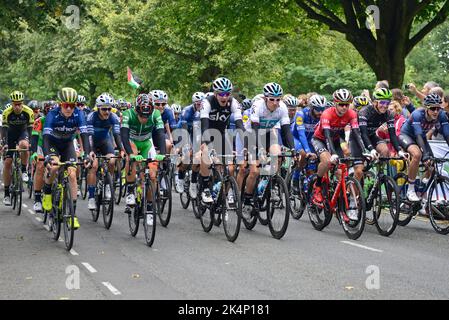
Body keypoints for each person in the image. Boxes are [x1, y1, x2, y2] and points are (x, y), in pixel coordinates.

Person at [310, 89, 367, 220]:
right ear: (335, 103)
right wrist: (334, 154)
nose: (344, 107)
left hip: (336, 140)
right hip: (321, 139)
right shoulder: (326, 113)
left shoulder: (352, 114)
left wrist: (365, 151)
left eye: (347, 104)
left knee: (342, 173)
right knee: (327, 161)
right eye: (341, 104)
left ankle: (340, 205)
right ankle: (317, 185)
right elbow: (327, 136)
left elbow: (357, 133)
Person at [42, 88, 94, 229]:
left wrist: (87, 154)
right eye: (66, 105)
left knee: (72, 173)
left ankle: (72, 215)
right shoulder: (52, 114)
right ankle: (47, 192)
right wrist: (47, 156)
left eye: (73, 105)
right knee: (54, 166)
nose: (70, 108)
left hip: (67, 144)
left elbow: (84, 134)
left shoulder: (79, 114)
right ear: (60, 104)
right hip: (53, 144)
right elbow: (45, 138)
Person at [242, 82, 295, 209]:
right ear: (265, 98)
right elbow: (254, 129)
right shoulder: (257, 106)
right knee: (254, 171)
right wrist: (259, 148)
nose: (275, 102)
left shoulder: (282, 107)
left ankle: (270, 183)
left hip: (268, 134)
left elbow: (286, 130)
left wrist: (293, 149)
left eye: (278, 99)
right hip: (251, 134)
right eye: (272, 99)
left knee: (278, 154)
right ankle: (247, 199)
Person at [198, 77, 244, 203]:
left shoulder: (233, 102)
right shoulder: (207, 102)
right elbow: (204, 125)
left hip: (221, 134)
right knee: (206, 155)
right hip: (206, 132)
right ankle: (205, 187)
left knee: (230, 167)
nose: (225, 97)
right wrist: (207, 145)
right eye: (221, 94)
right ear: (215, 94)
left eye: (227, 94)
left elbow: (240, 125)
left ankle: (222, 192)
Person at [121, 93, 166, 214]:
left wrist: (162, 153)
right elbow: (124, 136)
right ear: (136, 111)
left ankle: (150, 208)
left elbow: (161, 134)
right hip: (132, 141)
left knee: (152, 175)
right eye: (141, 116)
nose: (144, 119)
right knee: (132, 158)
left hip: (147, 142)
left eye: (147, 116)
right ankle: (130, 191)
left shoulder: (156, 114)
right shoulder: (128, 114)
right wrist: (130, 154)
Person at [399, 93, 449, 202]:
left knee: (433, 165)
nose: (436, 111)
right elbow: (418, 135)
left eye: (438, 108)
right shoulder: (417, 114)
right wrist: (425, 155)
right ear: (427, 108)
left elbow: (446, 134)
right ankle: (411, 189)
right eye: (432, 108)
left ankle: (422, 190)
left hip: (421, 138)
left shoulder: (441, 115)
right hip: (407, 136)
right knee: (417, 155)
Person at [86, 93, 123, 210]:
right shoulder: (91, 117)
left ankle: (108, 184)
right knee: (94, 166)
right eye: (104, 109)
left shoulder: (113, 117)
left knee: (112, 161)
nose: (107, 111)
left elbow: (117, 135)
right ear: (98, 108)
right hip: (92, 142)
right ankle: (91, 197)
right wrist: (91, 152)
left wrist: (122, 150)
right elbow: (90, 136)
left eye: (109, 109)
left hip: (105, 142)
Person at [1, 91, 34, 206]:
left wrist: (30, 143)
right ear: (12, 103)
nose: (17, 106)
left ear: (22, 103)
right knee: (7, 163)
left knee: (25, 145)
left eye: (19, 104)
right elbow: (4, 130)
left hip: (22, 133)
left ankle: (24, 170)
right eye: (15, 104)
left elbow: (30, 130)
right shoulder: (6, 112)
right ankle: (6, 194)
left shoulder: (28, 112)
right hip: (10, 135)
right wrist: (4, 143)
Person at [358, 88, 405, 159]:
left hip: (371, 136)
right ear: (375, 102)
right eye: (382, 102)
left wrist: (399, 150)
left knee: (385, 151)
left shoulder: (389, 114)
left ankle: (380, 169)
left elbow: (392, 135)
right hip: (358, 137)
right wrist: (371, 149)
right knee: (359, 169)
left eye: (387, 103)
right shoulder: (364, 112)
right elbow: (363, 134)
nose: (385, 106)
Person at [30, 101, 58, 212]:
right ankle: (37, 199)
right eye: (48, 110)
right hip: (41, 146)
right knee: (40, 166)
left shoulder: (60, 120)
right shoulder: (39, 121)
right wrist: (34, 153)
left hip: (56, 146)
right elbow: (34, 138)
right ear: (44, 111)